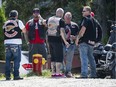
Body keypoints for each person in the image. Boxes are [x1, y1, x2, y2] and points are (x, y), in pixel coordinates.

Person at [3, 10, 26, 80]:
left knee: (7, 60)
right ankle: (16, 75)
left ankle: (7, 76)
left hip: (7, 43)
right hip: (16, 43)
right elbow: (24, 30)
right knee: (17, 59)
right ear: (16, 16)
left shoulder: (5, 23)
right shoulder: (18, 21)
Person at [75, 6, 97, 78]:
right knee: (91, 58)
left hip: (84, 42)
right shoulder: (94, 20)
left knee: (84, 58)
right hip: (91, 42)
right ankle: (93, 74)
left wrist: (77, 38)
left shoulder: (85, 19)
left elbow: (82, 30)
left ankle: (84, 74)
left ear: (88, 12)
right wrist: (96, 40)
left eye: (84, 11)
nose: (82, 12)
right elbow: (99, 30)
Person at [47, 8, 69, 77]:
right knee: (59, 57)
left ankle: (53, 73)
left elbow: (45, 25)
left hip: (50, 40)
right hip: (57, 40)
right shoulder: (61, 21)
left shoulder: (49, 19)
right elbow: (62, 32)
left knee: (53, 57)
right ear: (62, 14)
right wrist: (65, 42)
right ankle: (58, 73)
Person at [63, 12, 79, 77]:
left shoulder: (75, 25)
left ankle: (68, 71)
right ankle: (63, 71)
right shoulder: (62, 25)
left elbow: (78, 35)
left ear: (71, 17)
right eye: (67, 17)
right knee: (61, 57)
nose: (68, 18)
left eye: (69, 17)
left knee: (69, 59)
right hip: (62, 44)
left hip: (71, 44)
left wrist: (75, 37)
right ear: (64, 17)